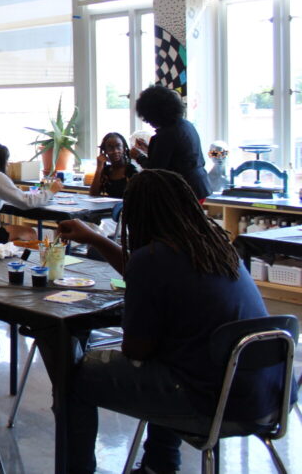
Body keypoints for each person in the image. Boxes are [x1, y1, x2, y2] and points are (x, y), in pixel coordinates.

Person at [55, 170, 291, 474]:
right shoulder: (216, 250)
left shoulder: (151, 260)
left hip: (212, 403)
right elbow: (144, 269)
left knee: (75, 377)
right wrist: (95, 239)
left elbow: (137, 351)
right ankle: (159, 463)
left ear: (137, 215)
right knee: (172, 361)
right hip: (266, 394)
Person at [129, 85, 210, 200]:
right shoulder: (186, 125)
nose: (148, 122)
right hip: (199, 185)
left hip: (182, 191)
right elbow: (176, 156)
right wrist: (150, 149)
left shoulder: (166, 134)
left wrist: (139, 156)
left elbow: (155, 170)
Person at [88, 132, 137, 198]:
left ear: (124, 149)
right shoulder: (106, 170)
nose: (115, 151)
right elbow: (93, 194)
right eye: (110, 148)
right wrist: (99, 168)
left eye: (118, 146)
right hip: (112, 207)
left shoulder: (131, 170)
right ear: (105, 151)